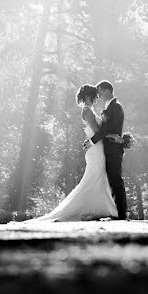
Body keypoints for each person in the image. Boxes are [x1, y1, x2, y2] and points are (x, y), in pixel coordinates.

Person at [22, 84, 124, 222]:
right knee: (92, 179)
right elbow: (97, 131)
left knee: (97, 178)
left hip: (98, 148)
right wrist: (113, 136)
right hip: (96, 149)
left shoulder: (91, 110)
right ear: (88, 96)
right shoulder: (87, 111)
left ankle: (98, 209)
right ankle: (88, 209)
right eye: (95, 95)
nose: (97, 98)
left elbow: (100, 130)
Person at [82, 80, 127, 220]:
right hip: (105, 148)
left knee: (115, 179)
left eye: (100, 92)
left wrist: (92, 140)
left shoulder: (116, 107)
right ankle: (116, 212)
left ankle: (121, 214)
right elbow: (104, 129)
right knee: (111, 180)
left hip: (113, 149)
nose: (99, 96)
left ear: (107, 90)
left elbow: (106, 129)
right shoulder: (110, 107)